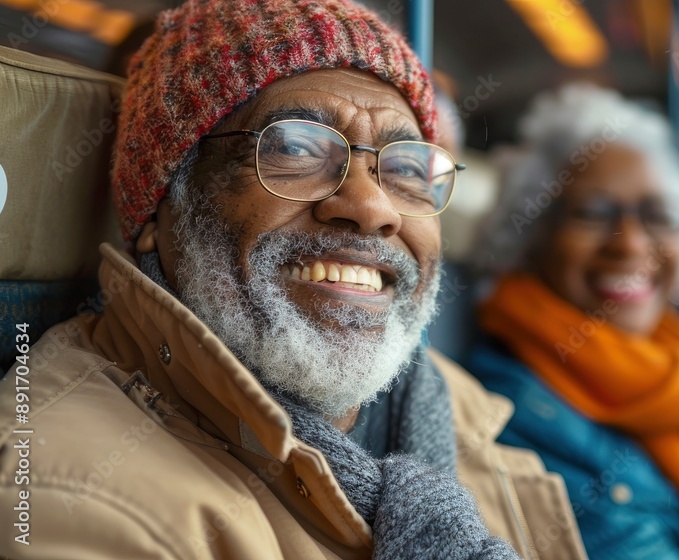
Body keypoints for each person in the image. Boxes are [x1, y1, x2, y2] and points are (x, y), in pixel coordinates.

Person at [0, 1, 586, 558]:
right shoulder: (82, 500)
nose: (371, 206)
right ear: (159, 209)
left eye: (407, 168)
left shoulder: (463, 408)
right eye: (296, 148)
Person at [466, 83, 679, 559]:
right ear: (532, 235)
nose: (630, 243)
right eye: (593, 212)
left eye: (658, 214)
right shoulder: (504, 408)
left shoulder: (676, 355)